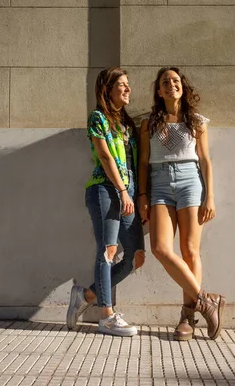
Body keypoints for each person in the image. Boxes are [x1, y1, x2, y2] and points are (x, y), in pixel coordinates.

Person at [137, 67, 225, 341]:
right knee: (161, 248)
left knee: (190, 251)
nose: (171, 85)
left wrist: (209, 195)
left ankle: (187, 317)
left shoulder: (197, 121)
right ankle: (207, 301)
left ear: (182, 87)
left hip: (190, 181)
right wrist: (142, 195)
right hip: (160, 184)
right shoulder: (149, 123)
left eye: (175, 81)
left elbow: (205, 160)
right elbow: (142, 162)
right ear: (159, 91)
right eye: (166, 82)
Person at [66, 67, 145, 337]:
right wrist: (122, 191)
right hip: (104, 189)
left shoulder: (127, 124)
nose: (128, 89)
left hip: (128, 192)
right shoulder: (98, 118)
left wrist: (136, 195)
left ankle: (86, 295)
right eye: (121, 85)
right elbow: (105, 157)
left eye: (128, 84)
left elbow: (135, 163)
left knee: (136, 256)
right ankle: (106, 316)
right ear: (107, 89)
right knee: (108, 251)